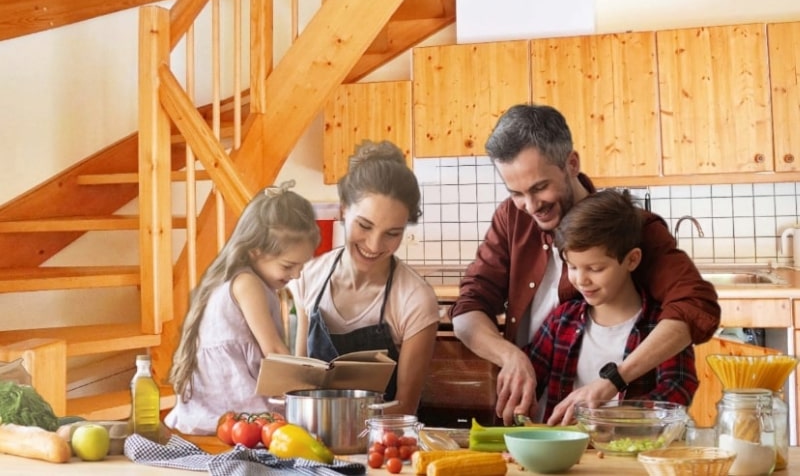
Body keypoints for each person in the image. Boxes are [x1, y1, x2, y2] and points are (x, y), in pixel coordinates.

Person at [451, 104, 720, 425]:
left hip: (619, 429)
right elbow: (468, 309)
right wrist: (510, 356)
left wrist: (614, 381)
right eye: (516, 193)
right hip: (540, 421)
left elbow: (695, 306)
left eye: (539, 188)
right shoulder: (512, 217)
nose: (531, 206)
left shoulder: (632, 228)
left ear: (572, 163)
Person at [290, 140, 439, 416]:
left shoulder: (415, 299)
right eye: (365, 225)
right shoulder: (307, 278)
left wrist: (345, 430)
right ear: (344, 209)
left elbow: (405, 408)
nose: (374, 244)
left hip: (381, 446)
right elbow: (301, 386)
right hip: (313, 442)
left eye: (392, 233)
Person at [526, 190, 698, 422]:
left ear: (632, 260)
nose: (581, 280)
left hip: (633, 453)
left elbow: (677, 390)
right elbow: (530, 378)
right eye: (573, 267)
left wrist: (607, 416)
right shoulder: (561, 320)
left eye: (595, 269)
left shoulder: (661, 326)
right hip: (564, 454)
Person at [165, 181, 320, 434]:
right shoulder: (247, 283)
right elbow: (274, 351)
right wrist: (313, 388)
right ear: (255, 251)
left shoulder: (246, 280)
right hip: (232, 413)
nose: (296, 274)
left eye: (302, 266)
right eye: (288, 265)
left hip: (223, 411)